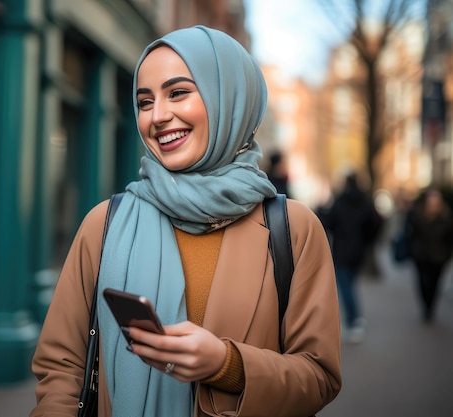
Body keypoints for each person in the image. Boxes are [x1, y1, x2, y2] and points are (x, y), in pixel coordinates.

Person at [30, 26, 341, 417]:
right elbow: (61, 367)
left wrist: (227, 365)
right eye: (145, 101)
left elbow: (319, 376)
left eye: (178, 92)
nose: (158, 116)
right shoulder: (105, 223)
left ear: (229, 99)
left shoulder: (292, 229)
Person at [319, 171, 381, 343]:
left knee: (345, 287)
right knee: (351, 284)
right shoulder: (365, 201)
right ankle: (356, 319)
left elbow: (328, 222)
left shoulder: (340, 201)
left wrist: (320, 209)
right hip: (359, 251)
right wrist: (367, 240)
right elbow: (376, 222)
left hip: (342, 251)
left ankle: (355, 320)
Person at [406, 188, 453, 323]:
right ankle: (425, 306)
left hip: (439, 257)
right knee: (422, 282)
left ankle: (430, 308)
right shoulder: (417, 214)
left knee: (435, 283)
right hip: (421, 255)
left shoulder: (446, 217)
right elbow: (411, 233)